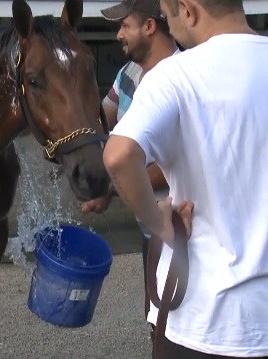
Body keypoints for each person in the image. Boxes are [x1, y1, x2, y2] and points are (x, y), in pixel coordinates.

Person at [103, 0, 268, 357]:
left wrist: (158, 221)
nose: (164, 19)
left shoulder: (174, 75)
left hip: (201, 320)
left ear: (188, 10)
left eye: (166, 11)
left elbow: (118, 155)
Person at [83, 0, 179, 325]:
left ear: (149, 27)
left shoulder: (179, 80)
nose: (118, 35)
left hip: (175, 225)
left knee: (171, 322)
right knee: (153, 314)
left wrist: (111, 186)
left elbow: (169, 165)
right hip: (149, 223)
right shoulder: (129, 74)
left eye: (124, 25)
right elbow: (102, 119)